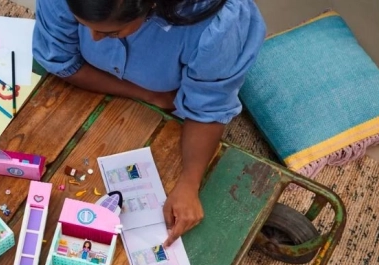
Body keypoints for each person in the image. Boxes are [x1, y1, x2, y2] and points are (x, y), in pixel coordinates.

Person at [33, 0, 266, 245]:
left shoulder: (217, 27)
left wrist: (189, 183)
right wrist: (148, 94)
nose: (95, 38)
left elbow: (207, 108)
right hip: (141, 100)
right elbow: (60, 60)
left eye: (111, 32)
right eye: (83, 24)